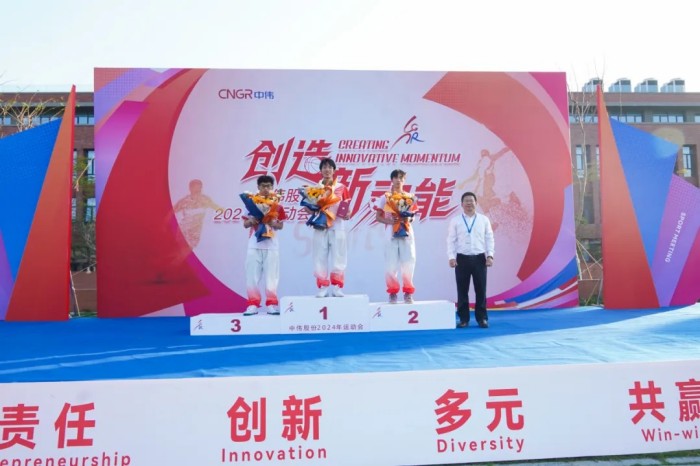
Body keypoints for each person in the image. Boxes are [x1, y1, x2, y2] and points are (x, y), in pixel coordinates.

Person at [447, 192, 495, 328]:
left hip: (480, 258)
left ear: (476, 203)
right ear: (462, 204)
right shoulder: (455, 220)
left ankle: (482, 319)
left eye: (471, 201)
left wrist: (490, 255)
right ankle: (463, 319)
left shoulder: (484, 220)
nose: (469, 203)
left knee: (481, 290)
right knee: (462, 290)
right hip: (461, 258)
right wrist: (451, 257)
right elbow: (451, 240)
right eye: (466, 201)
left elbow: (489, 238)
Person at [304, 158, 351, 298]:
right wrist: (310, 208)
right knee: (319, 257)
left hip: (338, 226)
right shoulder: (314, 189)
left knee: (339, 257)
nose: (327, 170)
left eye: (330, 167)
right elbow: (308, 208)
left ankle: (337, 287)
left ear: (334, 170)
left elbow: (347, 206)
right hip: (321, 227)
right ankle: (323, 287)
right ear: (320, 170)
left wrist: (347, 214)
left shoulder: (342, 187)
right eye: (324, 167)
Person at [242, 175, 286, 315]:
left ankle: (271, 304)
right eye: (263, 186)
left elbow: (281, 225)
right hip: (254, 245)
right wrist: (252, 221)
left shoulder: (277, 205)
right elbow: (245, 224)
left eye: (268, 186)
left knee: (271, 277)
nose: (266, 189)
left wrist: (273, 223)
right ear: (258, 187)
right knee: (252, 277)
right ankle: (253, 304)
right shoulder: (251, 203)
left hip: (271, 246)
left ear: (272, 187)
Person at [373, 169, 417, 304]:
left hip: (406, 232)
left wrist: (408, 219)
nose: (398, 180)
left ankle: (408, 293)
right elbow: (378, 217)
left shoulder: (410, 197)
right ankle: (392, 293)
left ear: (404, 180)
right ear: (391, 180)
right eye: (396, 178)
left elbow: (413, 216)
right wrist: (390, 221)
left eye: (401, 178)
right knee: (390, 264)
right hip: (390, 232)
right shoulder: (385, 197)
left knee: (408, 262)